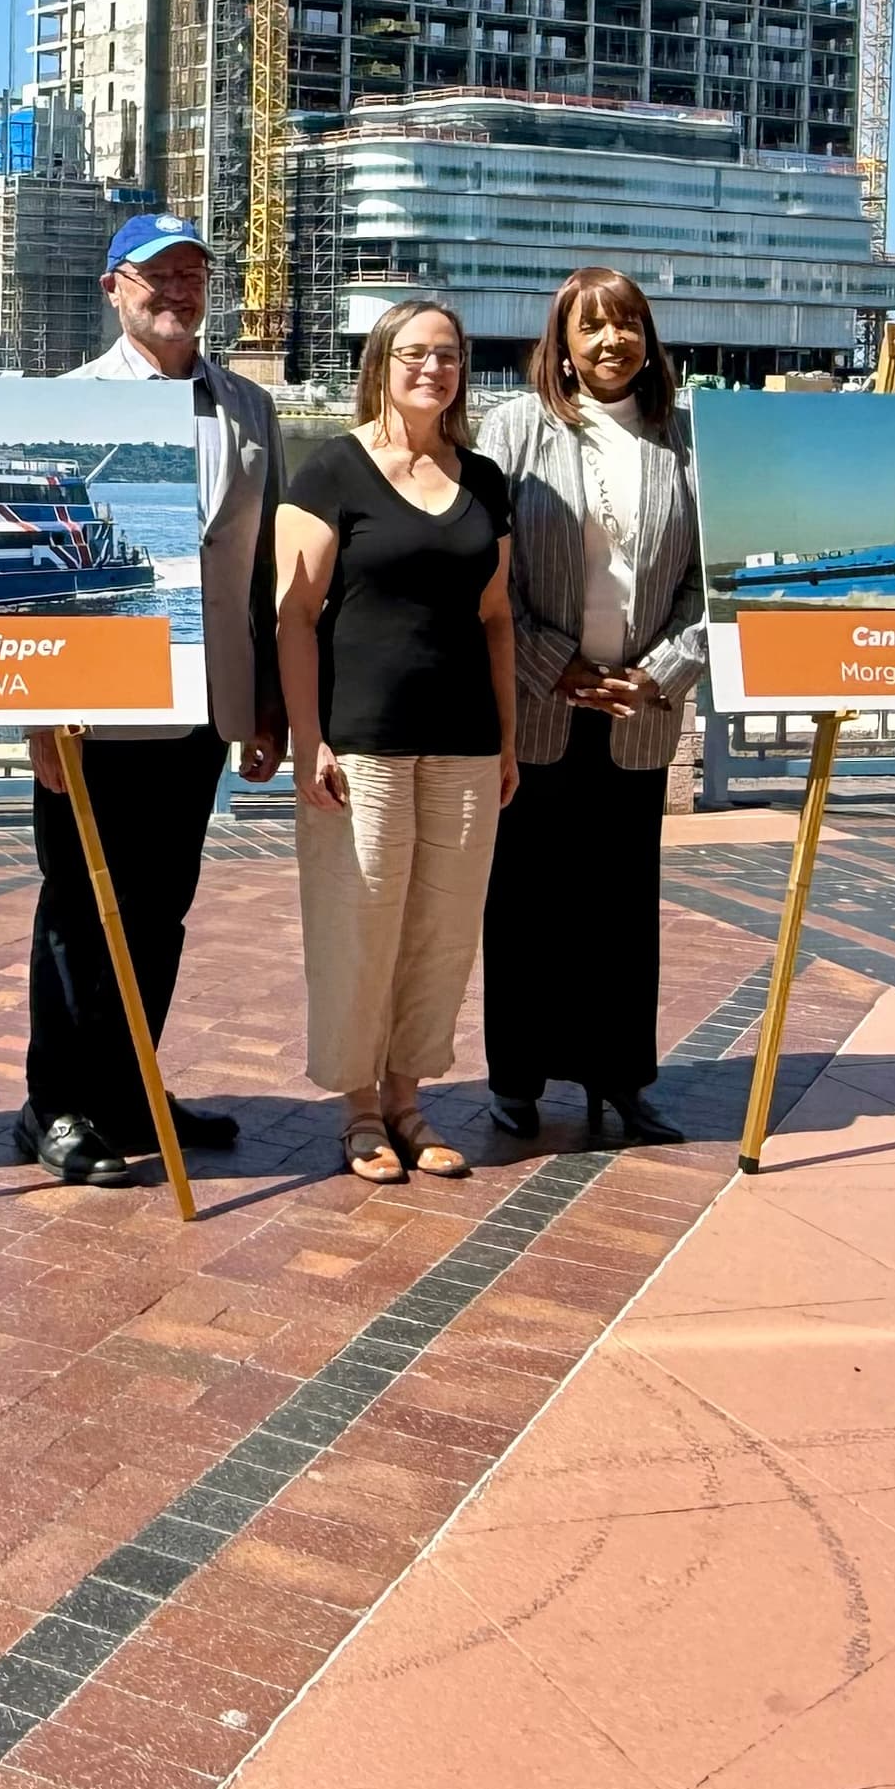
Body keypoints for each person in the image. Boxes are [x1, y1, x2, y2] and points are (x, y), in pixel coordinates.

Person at [15, 214, 283, 1186]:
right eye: (156, 275)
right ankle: (56, 1106)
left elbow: (258, 568)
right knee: (76, 910)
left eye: (193, 274)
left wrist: (267, 707)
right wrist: (37, 716)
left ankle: (129, 1090)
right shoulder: (68, 405)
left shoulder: (249, 408)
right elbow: (30, 577)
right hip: (90, 709)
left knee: (162, 910)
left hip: (204, 704)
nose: (177, 290)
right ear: (112, 289)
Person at [278, 300, 518, 1183]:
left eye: (449, 355)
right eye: (415, 353)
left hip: (465, 740)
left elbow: (496, 618)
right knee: (360, 924)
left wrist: (510, 739)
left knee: (443, 930)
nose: (434, 369)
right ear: (381, 361)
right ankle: (359, 1109)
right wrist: (308, 738)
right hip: (364, 741)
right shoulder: (330, 471)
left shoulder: (485, 479)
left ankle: (411, 1098)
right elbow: (294, 618)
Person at [480, 266, 703, 1151]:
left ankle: (621, 1080)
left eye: (628, 326)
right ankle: (516, 1081)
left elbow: (706, 585)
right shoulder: (514, 431)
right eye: (592, 328)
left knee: (622, 906)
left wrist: (660, 672)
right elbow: (492, 573)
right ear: (561, 345)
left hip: (638, 712)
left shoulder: (685, 441)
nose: (612, 342)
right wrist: (556, 666)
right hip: (541, 707)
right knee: (525, 902)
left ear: (648, 340)